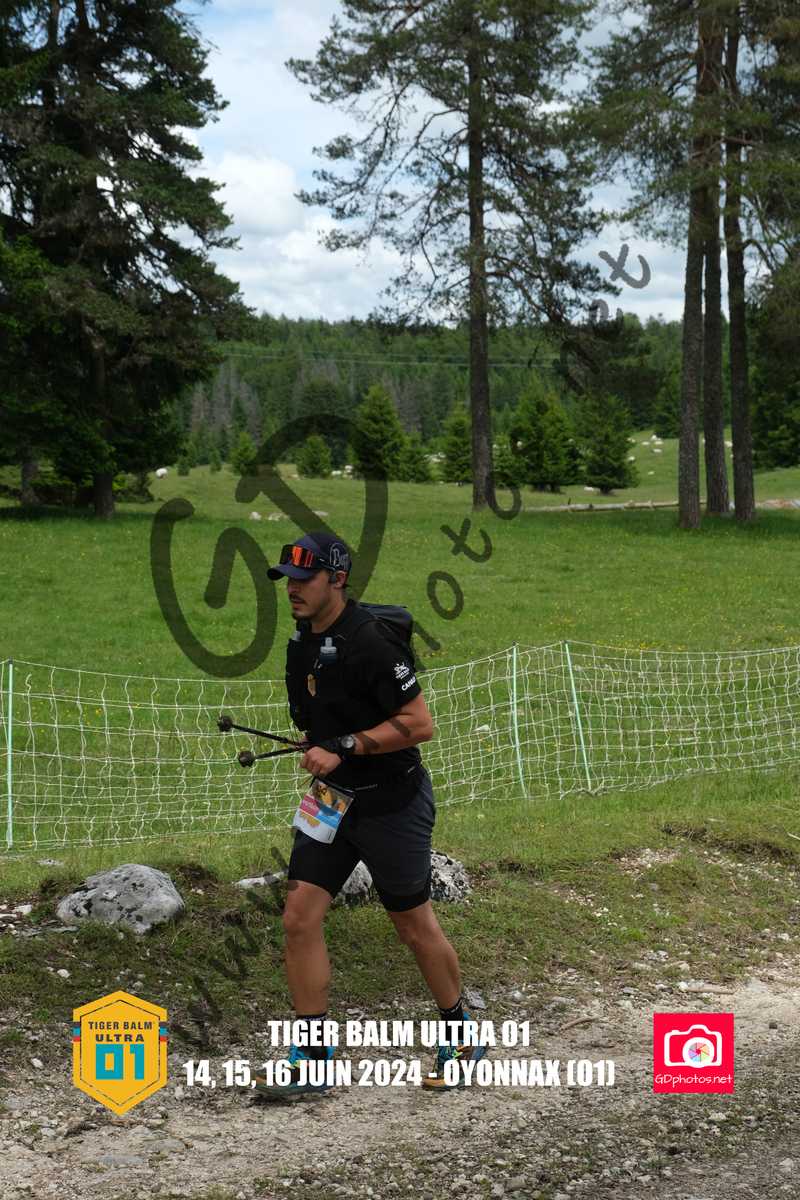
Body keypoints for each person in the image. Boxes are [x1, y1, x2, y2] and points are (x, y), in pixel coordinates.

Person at [253, 531, 485, 1099]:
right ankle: (314, 1058)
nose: (292, 590)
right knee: (298, 918)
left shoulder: (372, 641)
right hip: (330, 801)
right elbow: (323, 718)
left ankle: (462, 1034)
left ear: (337, 579)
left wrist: (346, 746)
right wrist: (319, 743)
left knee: (412, 926)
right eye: (286, 580)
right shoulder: (303, 643)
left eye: (304, 579)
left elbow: (420, 724)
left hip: (392, 802)